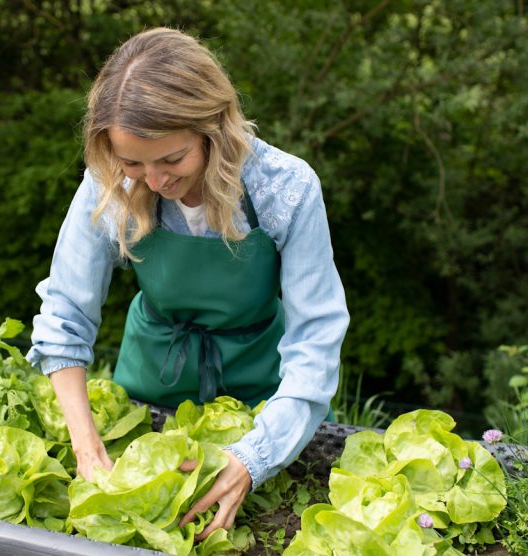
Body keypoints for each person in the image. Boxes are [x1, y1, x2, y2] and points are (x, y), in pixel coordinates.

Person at [26, 27, 349, 540]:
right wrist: (88, 450)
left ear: (212, 130)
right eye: (133, 163)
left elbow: (316, 341)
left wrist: (253, 456)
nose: (153, 181)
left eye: (171, 159)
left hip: (264, 391)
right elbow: (65, 314)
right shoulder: (109, 181)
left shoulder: (285, 188)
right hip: (150, 375)